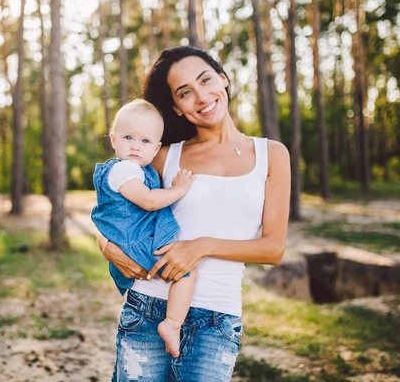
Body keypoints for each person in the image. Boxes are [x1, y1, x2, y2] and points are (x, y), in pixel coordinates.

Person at [97, 45, 291, 382]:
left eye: (205, 81)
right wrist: (105, 245)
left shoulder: (271, 154)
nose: (201, 97)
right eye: (186, 92)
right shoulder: (162, 155)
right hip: (147, 307)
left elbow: (273, 249)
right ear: (176, 106)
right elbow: (114, 208)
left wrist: (200, 246)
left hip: (217, 318)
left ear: (223, 78)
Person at [91, 99, 197, 358]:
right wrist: (178, 189)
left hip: (133, 239)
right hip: (137, 242)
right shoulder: (123, 170)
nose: (136, 146)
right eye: (128, 137)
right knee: (187, 272)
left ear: (157, 147)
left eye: (145, 141)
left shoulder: (139, 169)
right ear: (114, 140)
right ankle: (172, 324)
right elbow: (149, 202)